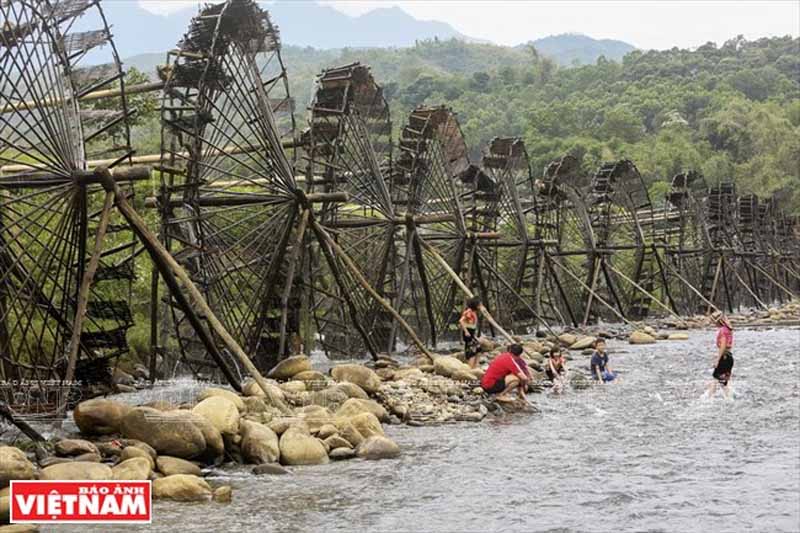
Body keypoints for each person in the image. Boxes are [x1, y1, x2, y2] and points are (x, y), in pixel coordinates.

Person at [707, 311, 734, 398]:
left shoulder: (722, 331)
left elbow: (723, 345)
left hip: (724, 358)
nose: (713, 324)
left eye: (713, 322)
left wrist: (717, 360)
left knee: (715, 379)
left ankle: (708, 399)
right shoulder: (728, 329)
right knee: (723, 383)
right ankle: (729, 398)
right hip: (729, 358)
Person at [459, 297, 482, 368]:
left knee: (478, 348)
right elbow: (461, 321)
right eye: (479, 304)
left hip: (471, 332)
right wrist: (466, 331)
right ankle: (471, 367)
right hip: (468, 332)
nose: (480, 305)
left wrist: (474, 335)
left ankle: (476, 366)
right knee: (471, 349)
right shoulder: (469, 311)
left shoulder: (474, 312)